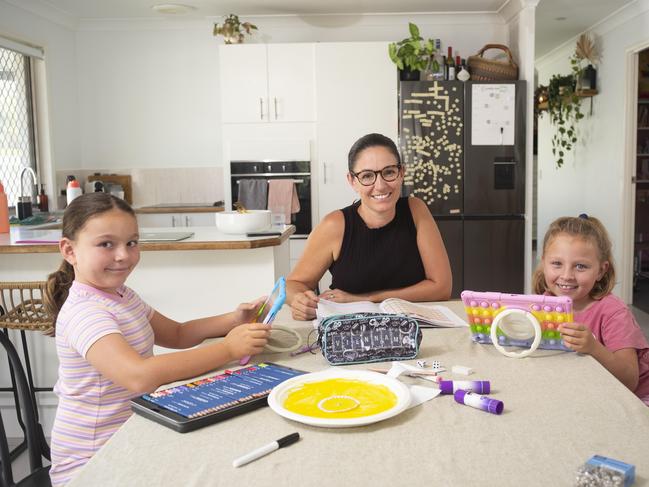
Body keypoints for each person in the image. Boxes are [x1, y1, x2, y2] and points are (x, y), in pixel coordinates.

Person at [44, 193, 271, 485]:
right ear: (69, 250)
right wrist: (228, 348)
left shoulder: (122, 296)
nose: (123, 255)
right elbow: (139, 376)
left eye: (132, 243)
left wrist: (233, 320)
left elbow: (178, 334)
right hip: (93, 464)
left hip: (130, 438)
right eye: (106, 244)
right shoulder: (85, 313)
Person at [287, 133, 452, 320]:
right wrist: (300, 301)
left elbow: (442, 288)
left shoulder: (416, 210)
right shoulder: (334, 225)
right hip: (350, 333)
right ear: (352, 181)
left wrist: (365, 299)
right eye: (367, 176)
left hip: (415, 330)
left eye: (389, 172)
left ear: (402, 173)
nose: (380, 186)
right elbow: (293, 284)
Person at [533, 214, 649, 406]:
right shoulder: (544, 303)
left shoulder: (614, 312)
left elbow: (630, 380)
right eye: (557, 264)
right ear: (544, 262)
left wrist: (594, 348)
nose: (567, 275)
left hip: (635, 397)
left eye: (580, 266)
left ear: (601, 270)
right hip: (589, 390)